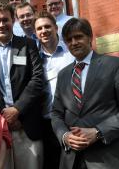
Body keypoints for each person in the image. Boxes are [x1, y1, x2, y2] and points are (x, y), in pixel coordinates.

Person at [51, 18, 119, 169]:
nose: (74, 42)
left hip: (108, 158)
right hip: (72, 160)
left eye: (78, 36)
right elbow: (56, 113)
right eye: (69, 39)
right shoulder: (63, 74)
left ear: (90, 37)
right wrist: (65, 136)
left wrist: (98, 132)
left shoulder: (113, 65)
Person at [0, 1, 45, 169]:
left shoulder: (28, 44)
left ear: (13, 20)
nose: (1, 25)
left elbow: (37, 79)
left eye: (5, 20)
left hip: (27, 124)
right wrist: (3, 115)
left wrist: (17, 110)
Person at [34, 11, 74, 169]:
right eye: (39, 28)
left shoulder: (71, 52)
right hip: (49, 124)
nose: (43, 31)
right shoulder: (35, 59)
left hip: (74, 120)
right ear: (36, 33)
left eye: (47, 26)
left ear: (56, 27)